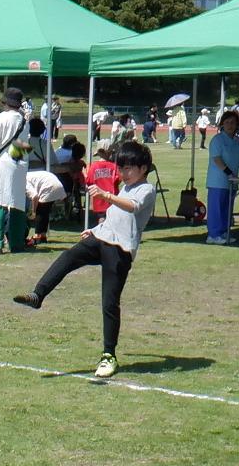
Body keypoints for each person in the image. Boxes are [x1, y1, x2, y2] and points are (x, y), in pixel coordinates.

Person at [13, 140, 156, 379]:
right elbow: (115, 215)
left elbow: (131, 207)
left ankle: (108, 355)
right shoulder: (126, 186)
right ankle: (38, 295)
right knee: (68, 257)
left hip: (120, 249)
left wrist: (105, 194)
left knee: (109, 302)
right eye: (121, 168)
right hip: (101, 237)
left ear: (143, 168)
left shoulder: (145, 190)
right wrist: (96, 228)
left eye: (129, 167)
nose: (123, 172)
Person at [0, 87, 31, 253]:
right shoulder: (24, 120)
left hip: (3, 162)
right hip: (20, 161)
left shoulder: (1, 117)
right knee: (17, 203)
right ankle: (17, 243)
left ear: (6, 103)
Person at [205, 108, 239, 244]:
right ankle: (213, 235)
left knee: (227, 209)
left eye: (233, 122)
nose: (230, 125)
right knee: (217, 208)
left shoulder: (238, 142)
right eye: (227, 122)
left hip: (232, 182)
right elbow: (217, 159)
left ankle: (224, 233)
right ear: (222, 124)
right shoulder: (217, 140)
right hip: (217, 181)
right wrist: (230, 174)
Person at [24, 167, 66, 246]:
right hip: (56, 184)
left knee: (40, 211)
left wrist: (33, 211)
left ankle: (37, 235)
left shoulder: (23, 180)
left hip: (48, 186)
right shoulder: (28, 175)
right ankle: (43, 235)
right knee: (45, 211)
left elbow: (34, 196)